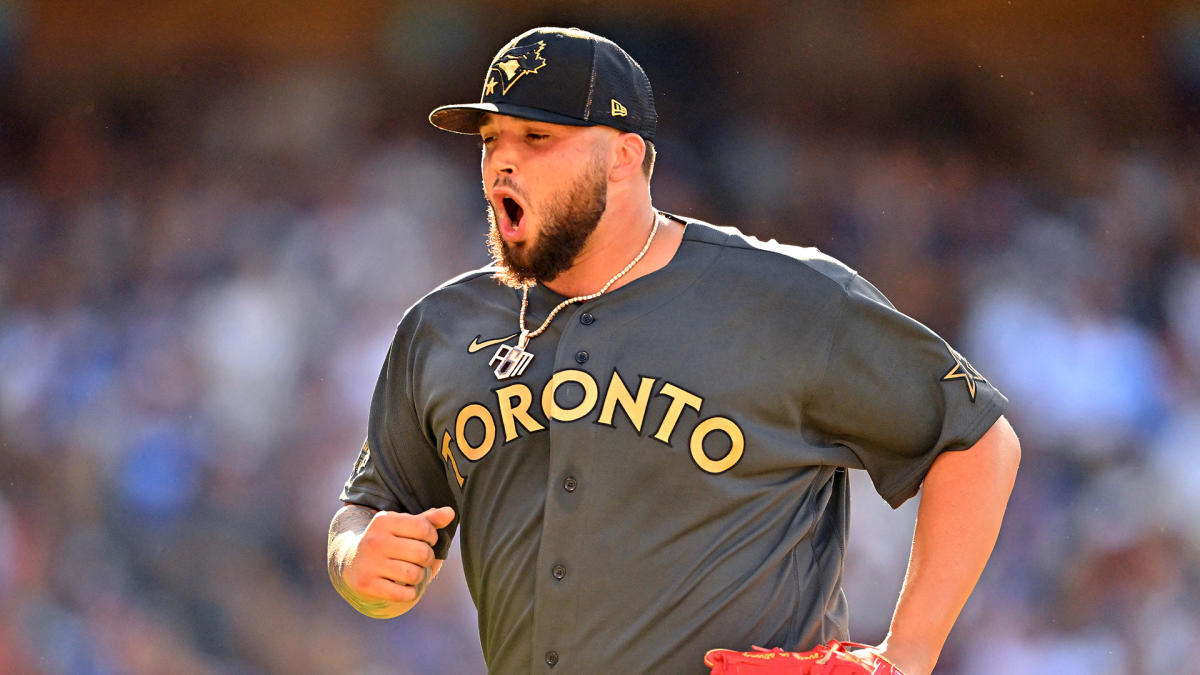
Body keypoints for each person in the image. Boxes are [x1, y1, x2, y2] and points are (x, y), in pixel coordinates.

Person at [327, 26, 1020, 675]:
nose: (504, 159)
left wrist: (907, 654)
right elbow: (368, 507)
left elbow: (977, 441)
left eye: (537, 136)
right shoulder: (442, 327)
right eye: (491, 139)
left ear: (625, 155)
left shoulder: (786, 297)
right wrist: (357, 559)